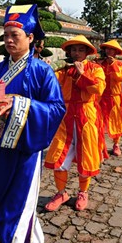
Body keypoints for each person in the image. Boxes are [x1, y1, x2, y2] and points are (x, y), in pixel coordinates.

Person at [0, 4, 66, 243]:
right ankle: (30, 237)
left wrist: (20, 104)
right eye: (6, 35)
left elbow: (57, 108)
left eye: (15, 36)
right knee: (1, 192)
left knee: (17, 200)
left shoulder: (43, 71)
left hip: (25, 148)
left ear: (31, 38)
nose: (9, 41)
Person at [44, 35, 106, 212]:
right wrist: (47, 68)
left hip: (87, 116)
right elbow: (48, 83)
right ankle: (61, 193)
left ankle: (83, 192)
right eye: (73, 50)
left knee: (86, 154)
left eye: (80, 50)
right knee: (58, 154)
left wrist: (82, 74)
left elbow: (98, 88)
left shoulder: (95, 68)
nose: (76, 53)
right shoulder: (63, 69)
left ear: (87, 52)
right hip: (64, 117)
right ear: (69, 52)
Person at [97, 39, 122, 156]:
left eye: (111, 49)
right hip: (101, 98)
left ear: (116, 52)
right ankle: (101, 147)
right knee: (100, 122)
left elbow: (121, 77)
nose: (108, 51)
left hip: (115, 98)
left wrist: (113, 64)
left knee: (116, 122)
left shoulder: (121, 64)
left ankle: (116, 144)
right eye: (107, 48)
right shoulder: (100, 63)